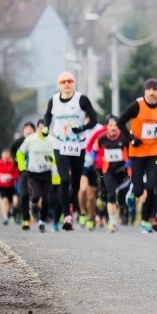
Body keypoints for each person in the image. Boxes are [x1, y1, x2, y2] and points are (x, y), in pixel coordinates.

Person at [42, 71, 99, 231]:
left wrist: (81, 128)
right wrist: (46, 127)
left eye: (69, 81)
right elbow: (47, 116)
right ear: (59, 85)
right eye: (63, 82)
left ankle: (66, 210)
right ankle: (67, 216)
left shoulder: (81, 99)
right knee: (64, 180)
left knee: (75, 184)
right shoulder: (53, 100)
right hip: (60, 145)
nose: (66, 84)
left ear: (73, 83)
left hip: (78, 146)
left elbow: (94, 119)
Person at [117, 78, 157, 233]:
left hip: (154, 153)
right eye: (149, 90)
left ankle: (145, 221)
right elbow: (120, 122)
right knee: (139, 191)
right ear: (145, 92)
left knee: (152, 187)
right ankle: (132, 194)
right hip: (137, 153)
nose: (151, 93)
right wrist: (131, 138)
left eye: (154, 90)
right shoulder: (137, 106)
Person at [16, 119, 61, 232]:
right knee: (35, 195)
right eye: (39, 128)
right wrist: (22, 168)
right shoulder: (30, 140)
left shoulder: (52, 140)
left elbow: (57, 157)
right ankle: (33, 206)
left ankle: (41, 220)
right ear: (37, 129)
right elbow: (20, 153)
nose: (41, 130)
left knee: (46, 198)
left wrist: (55, 172)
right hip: (32, 173)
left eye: (44, 128)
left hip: (47, 173)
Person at [92, 115, 128, 233]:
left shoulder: (124, 137)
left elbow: (132, 151)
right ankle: (112, 222)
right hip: (108, 170)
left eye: (115, 125)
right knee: (110, 196)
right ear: (106, 127)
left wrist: (129, 164)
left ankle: (122, 207)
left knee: (122, 197)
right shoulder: (102, 138)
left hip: (123, 171)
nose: (113, 127)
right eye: (110, 125)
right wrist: (92, 160)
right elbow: (94, 149)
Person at [11, 122, 36, 228]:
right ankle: (25, 218)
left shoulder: (38, 141)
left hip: (37, 172)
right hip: (24, 172)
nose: (29, 130)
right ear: (23, 131)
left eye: (31, 128)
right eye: (26, 128)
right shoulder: (18, 142)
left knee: (36, 195)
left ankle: (36, 210)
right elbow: (12, 152)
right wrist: (17, 162)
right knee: (24, 194)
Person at [0, 149, 19, 225]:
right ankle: (5, 218)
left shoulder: (13, 163)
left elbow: (17, 173)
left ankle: (11, 211)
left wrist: (11, 177)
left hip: (11, 186)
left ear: (10, 157)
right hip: (2, 186)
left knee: (15, 201)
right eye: (4, 156)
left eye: (7, 156)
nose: (6, 158)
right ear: (2, 156)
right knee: (5, 201)